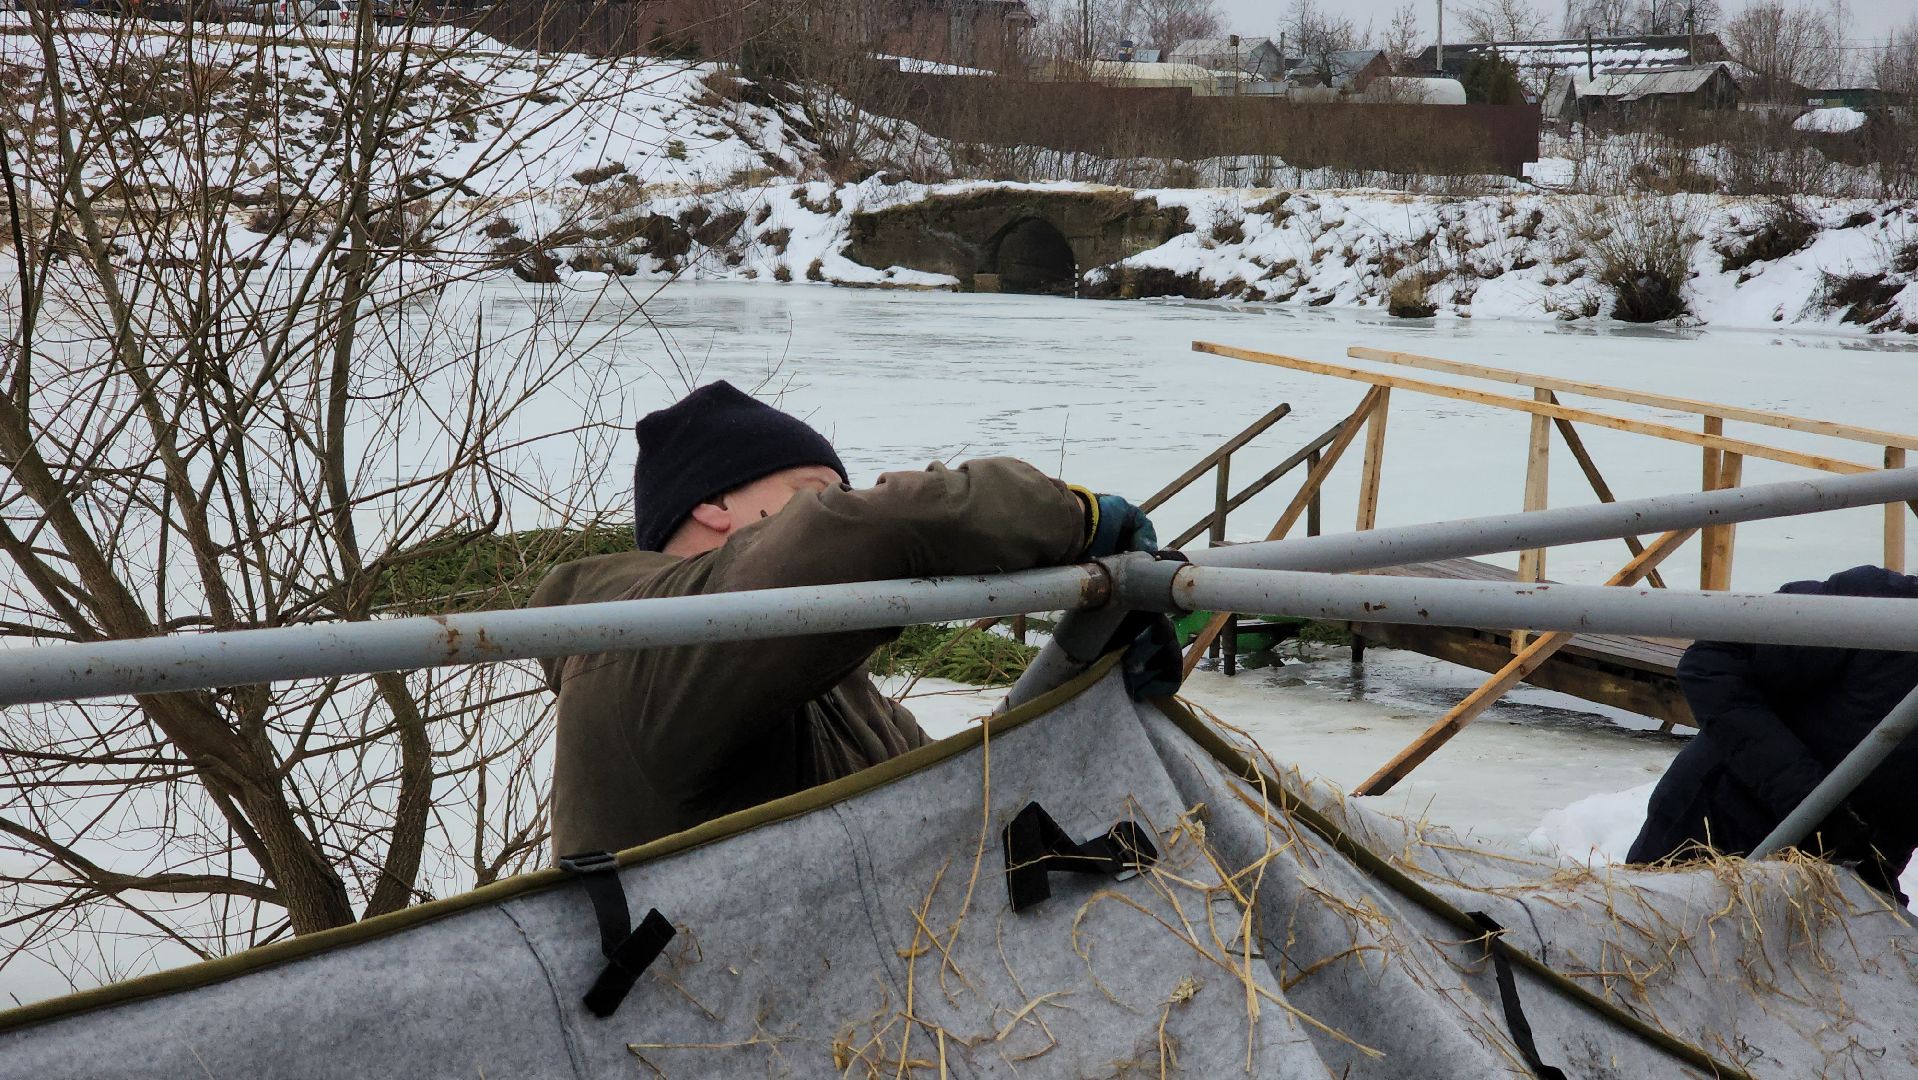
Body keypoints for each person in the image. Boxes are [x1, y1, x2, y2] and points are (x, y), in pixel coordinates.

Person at [531, 382, 1156, 858]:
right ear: (715, 503)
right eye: (816, 491)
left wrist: (1089, 665)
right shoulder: (638, 655)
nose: (833, 506)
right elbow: (868, 532)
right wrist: (1073, 517)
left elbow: (962, 807)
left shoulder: (831, 691)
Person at [1627, 565, 1918, 901]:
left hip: (1840, 879)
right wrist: (1811, 801)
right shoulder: (1878, 604)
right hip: (1711, 841)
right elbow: (1711, 661)